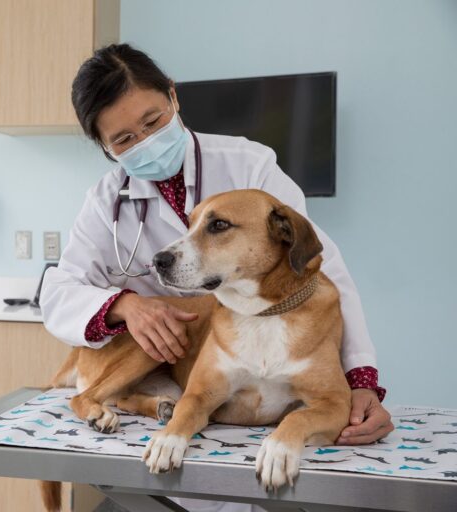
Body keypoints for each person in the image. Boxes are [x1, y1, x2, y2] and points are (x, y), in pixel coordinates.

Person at [39, 43, 392, 511]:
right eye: (123, 139)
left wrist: (361, 379)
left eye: (153, 121)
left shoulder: (248, 165)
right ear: (105, 147)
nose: (145, 142)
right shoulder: (106, 201)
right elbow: (59, 292)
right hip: (165, 372)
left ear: (173, 96)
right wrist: (126, 305)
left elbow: (319, 267)